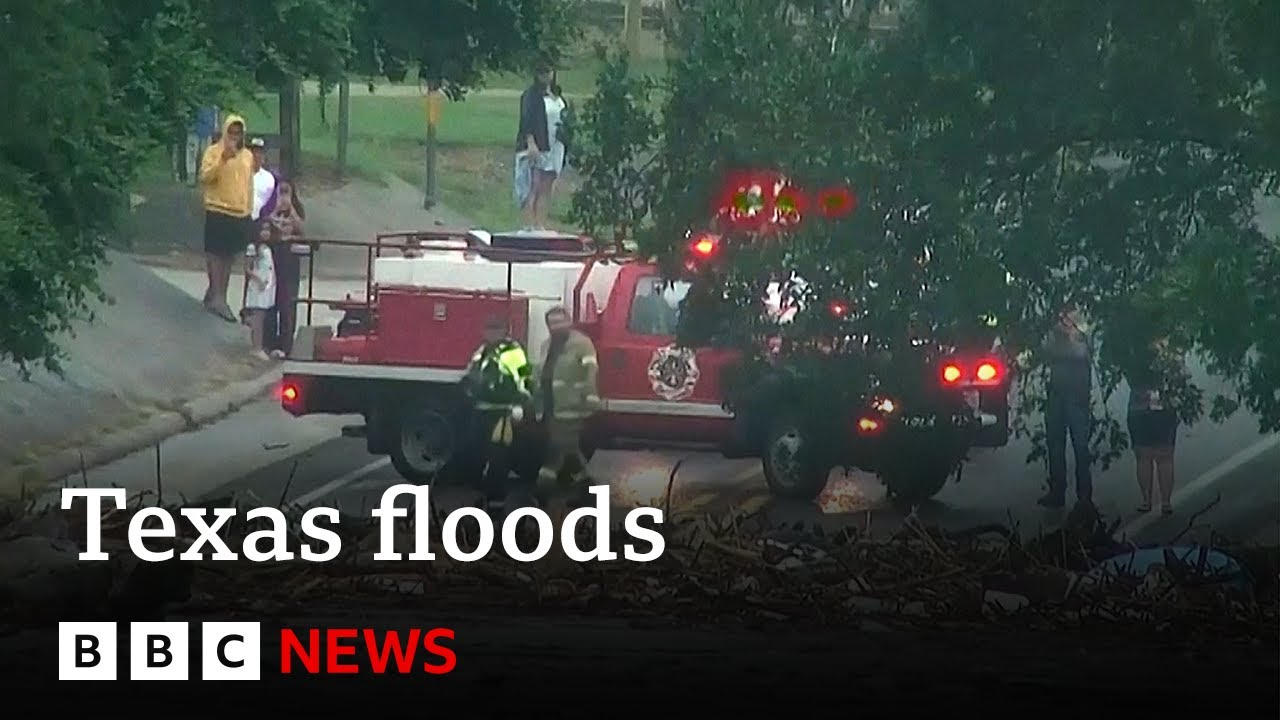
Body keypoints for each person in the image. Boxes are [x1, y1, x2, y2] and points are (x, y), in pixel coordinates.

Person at [532, 306, 600, 506]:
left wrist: (589, 397)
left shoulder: (581, 344)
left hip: (572, 406)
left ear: (569, 321)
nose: (557, 326)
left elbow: (591, 370)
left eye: (561, 321)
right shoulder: (546, 345)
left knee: (554, 452)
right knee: (570, 453)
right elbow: (540, 372)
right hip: (550, 407)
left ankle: (541, 493)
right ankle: (589, 494)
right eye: (552, 323)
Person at [464, 317, 534, 501]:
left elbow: (524, 379)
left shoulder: (513, 351)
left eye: (496, 329)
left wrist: (520, 404)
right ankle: (477, 487)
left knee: (499, 453)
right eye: (489, 329)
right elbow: (472, 372)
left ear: (504, 331)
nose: (491, 333)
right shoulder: (483, 350)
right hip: (481, 409)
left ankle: (495, 493)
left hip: (502, 411)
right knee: (475, 448)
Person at [199, 114, 254, 322]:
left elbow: (249, 185)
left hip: (239, 212)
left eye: (238, 133)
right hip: (217, 209)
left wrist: (248, 209)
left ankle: (218, 293)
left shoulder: (247, 156)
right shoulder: (214, 152)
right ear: (225, 132)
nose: (234, 137)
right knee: (215, 254)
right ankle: (217, 296)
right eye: (231, 132)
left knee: (229, 256)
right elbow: (205, 176)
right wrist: (223, 159)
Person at [1040, 304, 1094, 508]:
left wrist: (1072, 333)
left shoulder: (1084, 332)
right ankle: (1057, 491)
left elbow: (1080, 353)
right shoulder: (1054, 334)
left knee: (1080, 446)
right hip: (1056, 394)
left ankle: (1085, 496)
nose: (1065, 319)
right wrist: (1058, 333)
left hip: (1077, 397)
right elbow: (1045, 348)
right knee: (1054, 444)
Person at [1127, 337, 1188, 516]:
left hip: (1140, 406)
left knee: (1146, 456)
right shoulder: (1171, 348)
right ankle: (1164, 502)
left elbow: (1129, 374)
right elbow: (1181, 375)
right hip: (1161, 406)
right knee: (1163, 456)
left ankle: (1148, 501)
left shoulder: (1132, 346)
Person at [515, 61, 566, 231]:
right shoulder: (531, 95)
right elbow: (526, 120)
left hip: (555, 145)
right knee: (533, 185)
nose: (546, 76)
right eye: (542, 72)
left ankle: (540, 224)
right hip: (538, 144)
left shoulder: (557, 95)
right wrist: (531, 143)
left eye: (549, 72)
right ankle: (528, 224)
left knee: (547, 185)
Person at [266, 179, 306, 358]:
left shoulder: (297, 210)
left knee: (288, 302)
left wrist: (291, 210)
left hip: (290, 260)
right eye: (280, 192)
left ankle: (286, 343)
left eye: (286, 192)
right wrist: (276, 210)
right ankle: (269, 341)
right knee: (271, 300)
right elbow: (265, 225)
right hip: (272, 258)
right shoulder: (270, 208)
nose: (283, 196)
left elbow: (301, 229)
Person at [243, 222, 278, 361]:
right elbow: (247, 268)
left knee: (262, 317)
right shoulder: (252, 248)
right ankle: (256, 347)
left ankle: (260, 346)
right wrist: (258, 279)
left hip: (267, 286)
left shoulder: (267, 247)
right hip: (258, 286)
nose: (266, 233)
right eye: (263, 230)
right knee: (258, 317)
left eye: (268, 230)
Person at [249, 137, 278, 222]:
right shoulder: (240, 174)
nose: (256, 156)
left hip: (261, 221)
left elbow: (271, 203)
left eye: (260, 152)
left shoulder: (269, 178)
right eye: (253, 152)